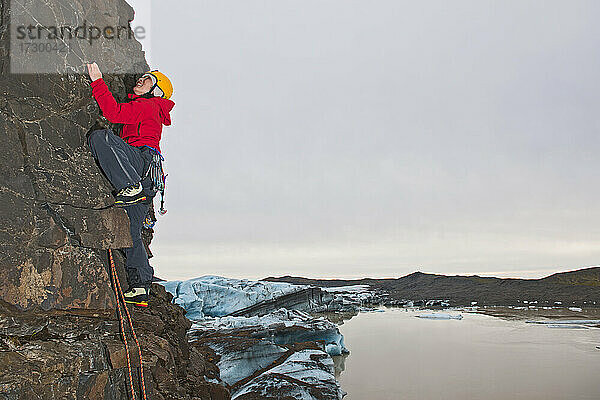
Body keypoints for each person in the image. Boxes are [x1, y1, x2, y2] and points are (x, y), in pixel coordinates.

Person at [86, 62, 175, 307]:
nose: (141, 81)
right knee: (131, 231)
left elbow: (113, 113)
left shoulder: (147, 105)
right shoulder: (153, 108)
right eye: (143, 77)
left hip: (139, 163)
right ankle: (140, 286)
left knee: (100, 137)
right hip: (148, 175)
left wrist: (97, 81)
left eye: (148, 80)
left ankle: (128, 187)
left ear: (155, 92)